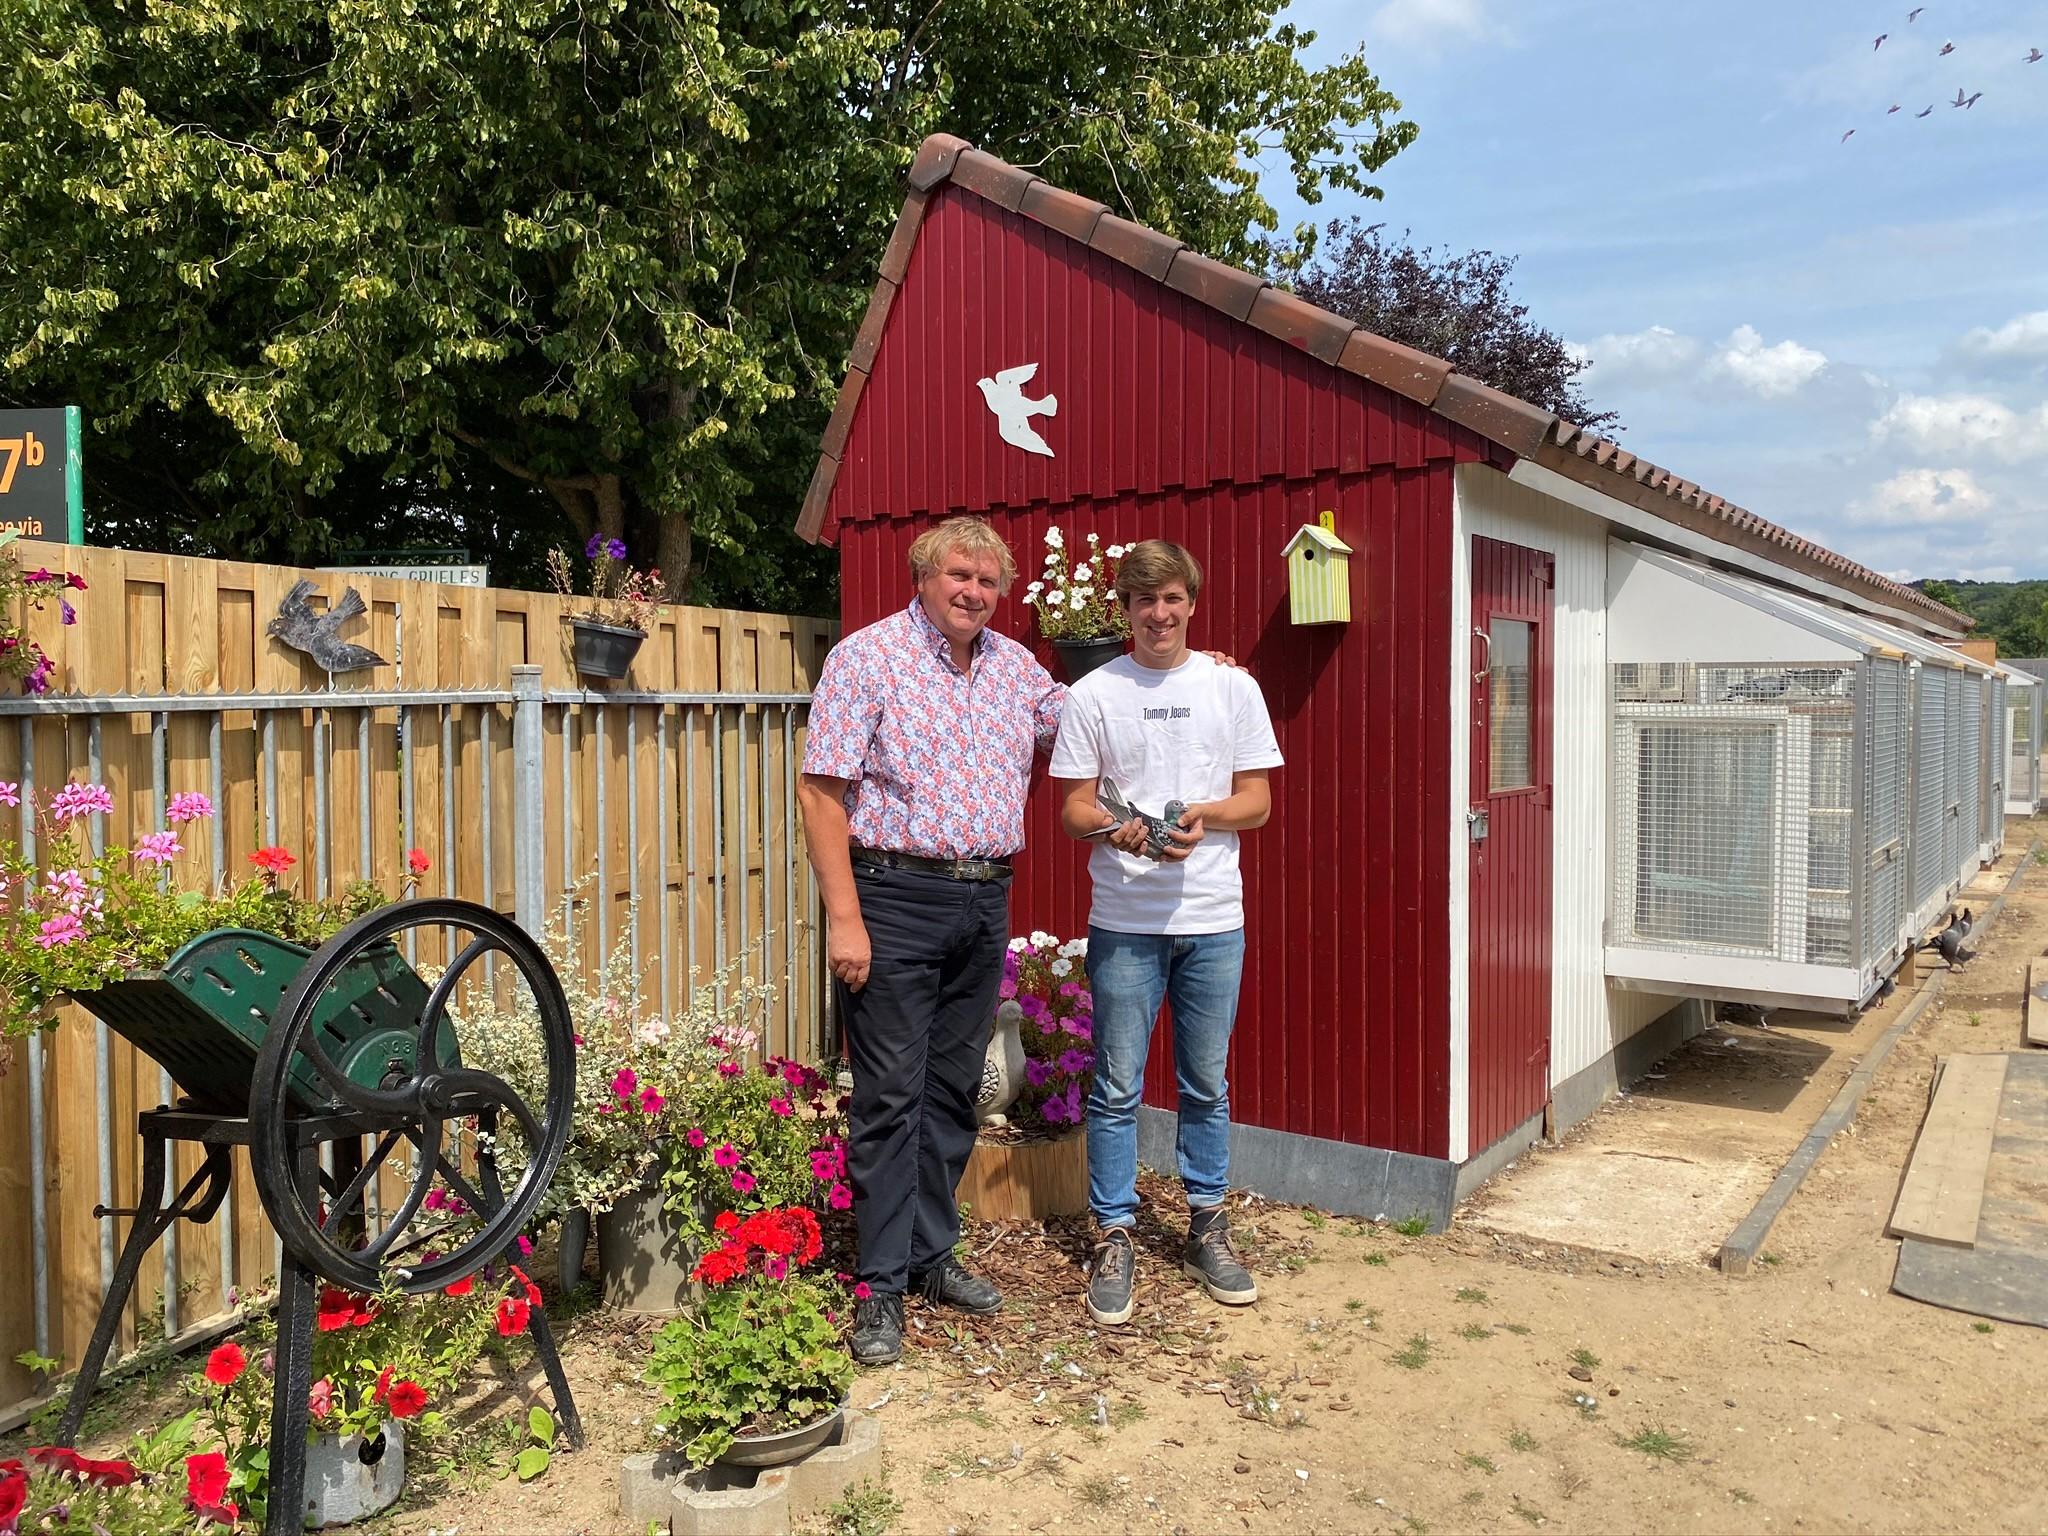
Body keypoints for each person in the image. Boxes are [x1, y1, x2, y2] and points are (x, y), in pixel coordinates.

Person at [797, 515, 1063, 1366]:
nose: (974, 592)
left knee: (953, 1090)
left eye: (989, 582)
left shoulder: (1016, 669)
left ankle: (927, 1256)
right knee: (887, 1097)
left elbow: (1098, 721)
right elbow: (821, 793)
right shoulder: (867, 658)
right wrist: (846, 917)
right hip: (893, 898)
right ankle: (877, 1286)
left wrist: (1196, 671)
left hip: (983, 902)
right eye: (959, 575)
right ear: (923, 576)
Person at [1047, 539, 1282, 1326]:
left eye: (1173, 597)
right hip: (1125, 922)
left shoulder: (1231, 687)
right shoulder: (1094, 694)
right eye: (1145, 600)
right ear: (1125, 607)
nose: (1160, 614)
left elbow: (1258, 801)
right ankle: (1114, 1234)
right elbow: (1075, 808)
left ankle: (1206, 1227)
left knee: (1205, 1085)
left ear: (1192, 600)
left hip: (1215, 920)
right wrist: (1117, 830)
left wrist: (1204, 816)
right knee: (1115, 1090)